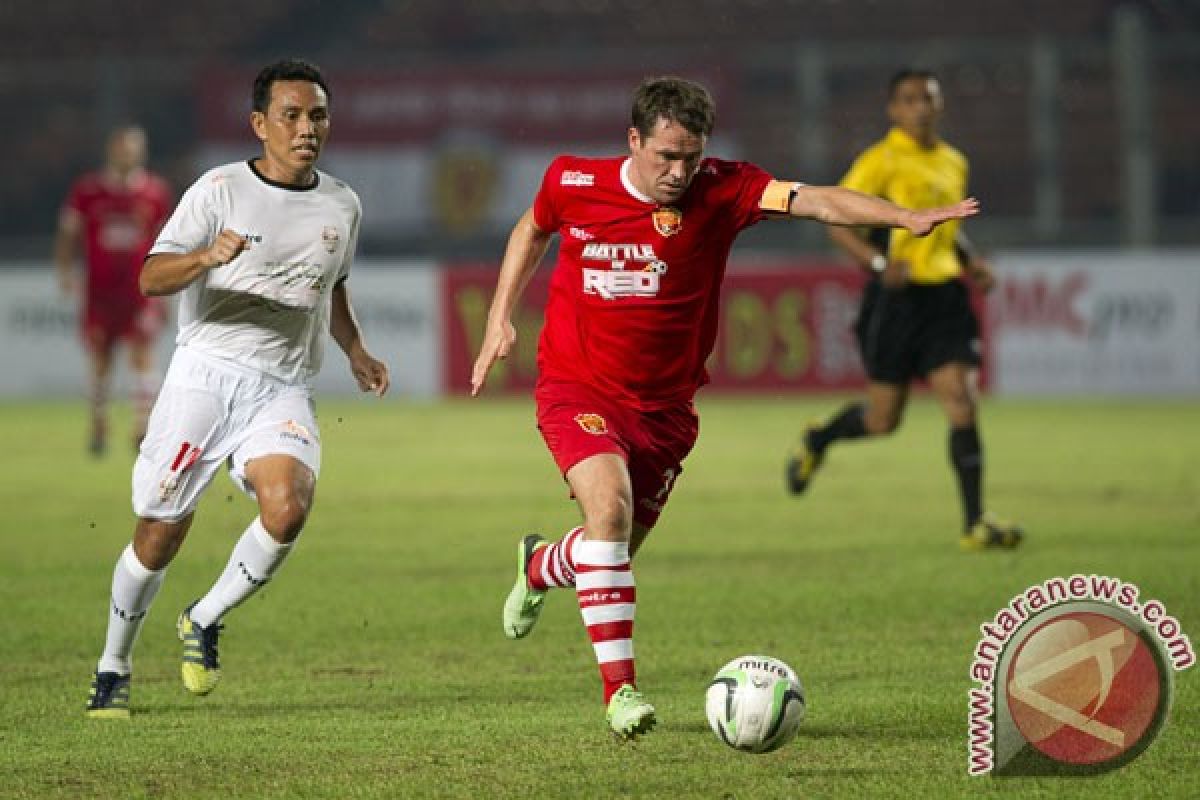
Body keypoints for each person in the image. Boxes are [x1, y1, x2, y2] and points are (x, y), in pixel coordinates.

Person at [470, 76, 979, 739]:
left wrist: (902, 219)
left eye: (691, 156)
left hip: (667, 409)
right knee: (610, 512)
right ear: (634, 140)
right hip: (578, 387)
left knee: (612, 550)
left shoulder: (725, 187)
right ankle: (620, 695)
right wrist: (499, 319)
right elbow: (531, 229)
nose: (680, 171)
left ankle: (540, 563)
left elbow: (817, 201)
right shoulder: (573, 181)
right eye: (666, 156)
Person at [84, 59, 390, 719]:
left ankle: (204, 616)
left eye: (318, 115)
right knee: (159, 534)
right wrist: (203, 258)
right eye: (291, 115)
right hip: (204, 378)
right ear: (259, 124)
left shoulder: (343, 204)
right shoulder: (217, 191)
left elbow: (332, 286)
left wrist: (356, 348)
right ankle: (113, 664)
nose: (307, 128)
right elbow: (152, 278)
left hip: (281, 386)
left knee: (289, 508)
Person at [784, 68, 1023, 552]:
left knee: (959, 399)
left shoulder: (954, 161)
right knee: (883, 419)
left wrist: (970, 262)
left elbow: (946, 227)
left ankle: (975, 524)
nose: (920, 108)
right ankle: (820, 438)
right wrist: (876, 263)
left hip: (944, 298)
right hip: (895, 302)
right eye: (910, 100)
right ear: (893, 109)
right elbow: (836, 223)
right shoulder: (880, 161)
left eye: (928, 99)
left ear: (940, 106)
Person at [54, 125, 173, 455]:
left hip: (141, 290)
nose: (129, 153)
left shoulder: (154, 192)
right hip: (100, 291)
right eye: (124, 147)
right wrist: (64, 270)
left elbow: (167, 242)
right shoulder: (88, 191)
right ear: (112, 149)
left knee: (142, 354)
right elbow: (68, 233)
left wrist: (166, 290)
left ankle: (142, 426)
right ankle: (99, 423)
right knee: (101, 359)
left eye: (135, 148)